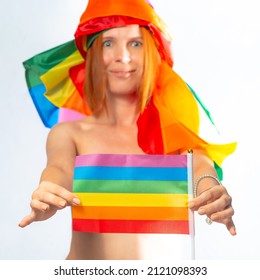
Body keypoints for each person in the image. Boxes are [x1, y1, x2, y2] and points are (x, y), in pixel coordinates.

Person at [19, 0, 237, 260]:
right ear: (91, 55)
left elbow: (201, 170)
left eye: (135, 43)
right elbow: (58, 170)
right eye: (108, 43)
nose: (122, 56)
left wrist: (211, 191)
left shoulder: (178, 133)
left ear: (153, 52)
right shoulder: (68, 133)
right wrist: (47, 191)